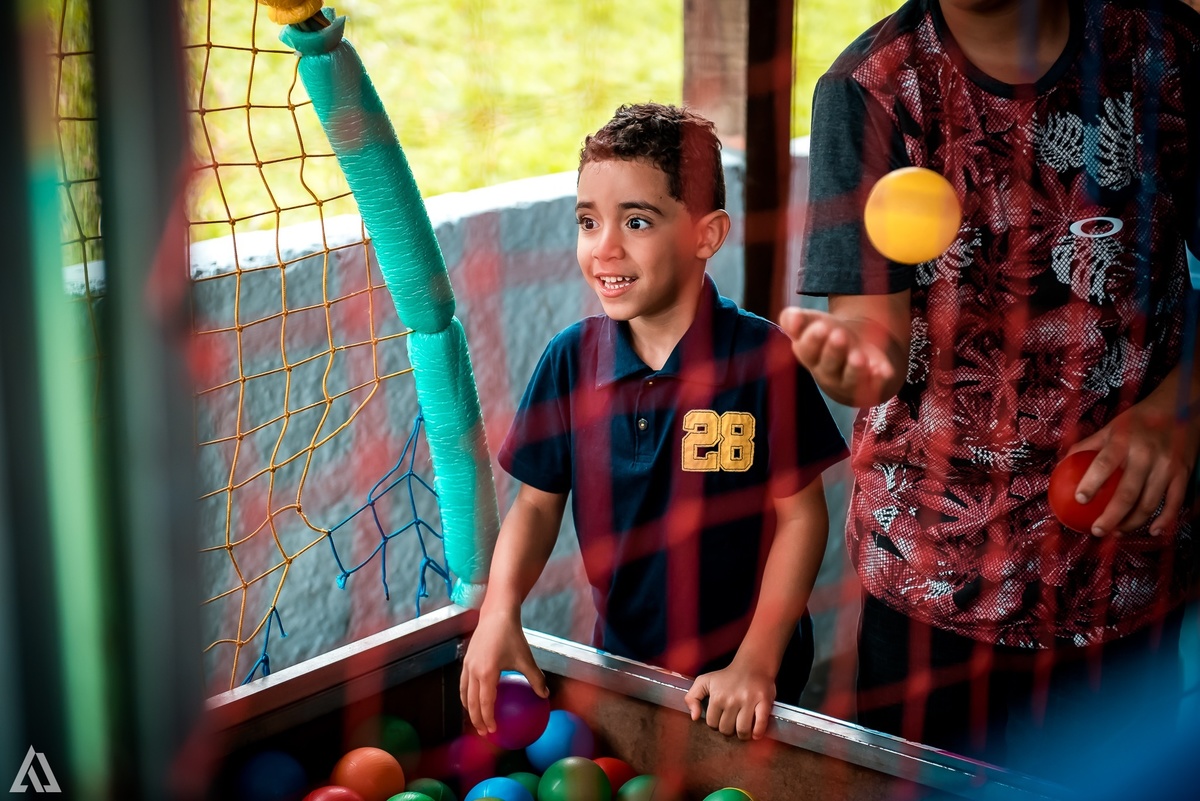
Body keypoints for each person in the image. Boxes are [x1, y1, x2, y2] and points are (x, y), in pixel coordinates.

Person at [784, 0, 1200, 782]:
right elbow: (874, 341)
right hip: (929, 584)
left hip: (1126, 563)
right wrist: (850, 364)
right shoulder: (867, 87)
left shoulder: (1165, 50)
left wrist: (1183, 410)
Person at [460, 103, 848, 742]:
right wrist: (500, 610)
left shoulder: (762, 361)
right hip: (624, 667)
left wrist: (756, 662)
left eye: (636, 221)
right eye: (588, 222)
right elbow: (534, 507)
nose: (604, 247)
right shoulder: (569, 360)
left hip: (749, 680)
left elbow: (802, 517)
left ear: (706, 235)